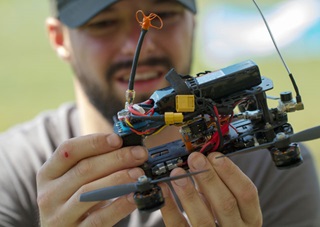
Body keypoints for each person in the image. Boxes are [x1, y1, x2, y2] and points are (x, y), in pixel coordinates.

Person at [0, 0, 319, 226]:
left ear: (194, 22)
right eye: (104, 23)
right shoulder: (13, 169)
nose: (139, 45)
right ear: (60, 39)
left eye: (164, 13)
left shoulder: (271, 171)